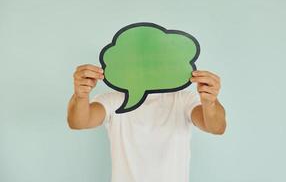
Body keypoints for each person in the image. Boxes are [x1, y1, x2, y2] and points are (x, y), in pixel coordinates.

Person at [67, 64, 226, 182]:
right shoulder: (113, 99)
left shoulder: (184, 99)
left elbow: (216, 127)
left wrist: (210, 102)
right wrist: (80, 95)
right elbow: (79, 122)